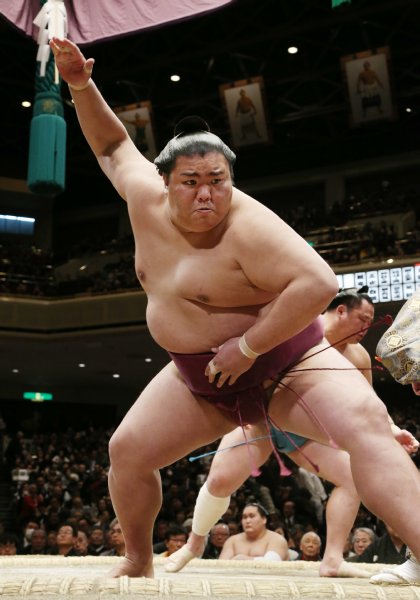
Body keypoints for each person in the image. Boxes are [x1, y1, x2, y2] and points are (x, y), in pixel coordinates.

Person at [51, 37, 420, 583]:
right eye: (191, 183)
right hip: (199, 376)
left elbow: (319, 283)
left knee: (368, 430)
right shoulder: (142, 195)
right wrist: (82, 86)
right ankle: (138, 559)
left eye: (218, 182)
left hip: (287, 365)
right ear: (164, 183)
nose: (206, 195)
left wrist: (248, 347)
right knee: (127, 450)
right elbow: (111, 145)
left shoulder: (249, 226)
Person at [165, 289, 418, 578]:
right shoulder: (300, 325)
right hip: (261, 419)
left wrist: (391, 429)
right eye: (362, 319)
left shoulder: (357, 355)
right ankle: (194, 543)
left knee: (350, 478)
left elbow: (368, 403)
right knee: (219, 480)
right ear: (340, 311)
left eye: (370, 322)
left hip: (307, 432)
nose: (365, 328)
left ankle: (333, 559)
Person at [218, 503, 289, 561]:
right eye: (244, 517)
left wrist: (245, 559)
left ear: (264, 519)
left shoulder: (276, 539)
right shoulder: (232, 541)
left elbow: (271, 563)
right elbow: (221, 566)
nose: (247, 521)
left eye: (252, 516)